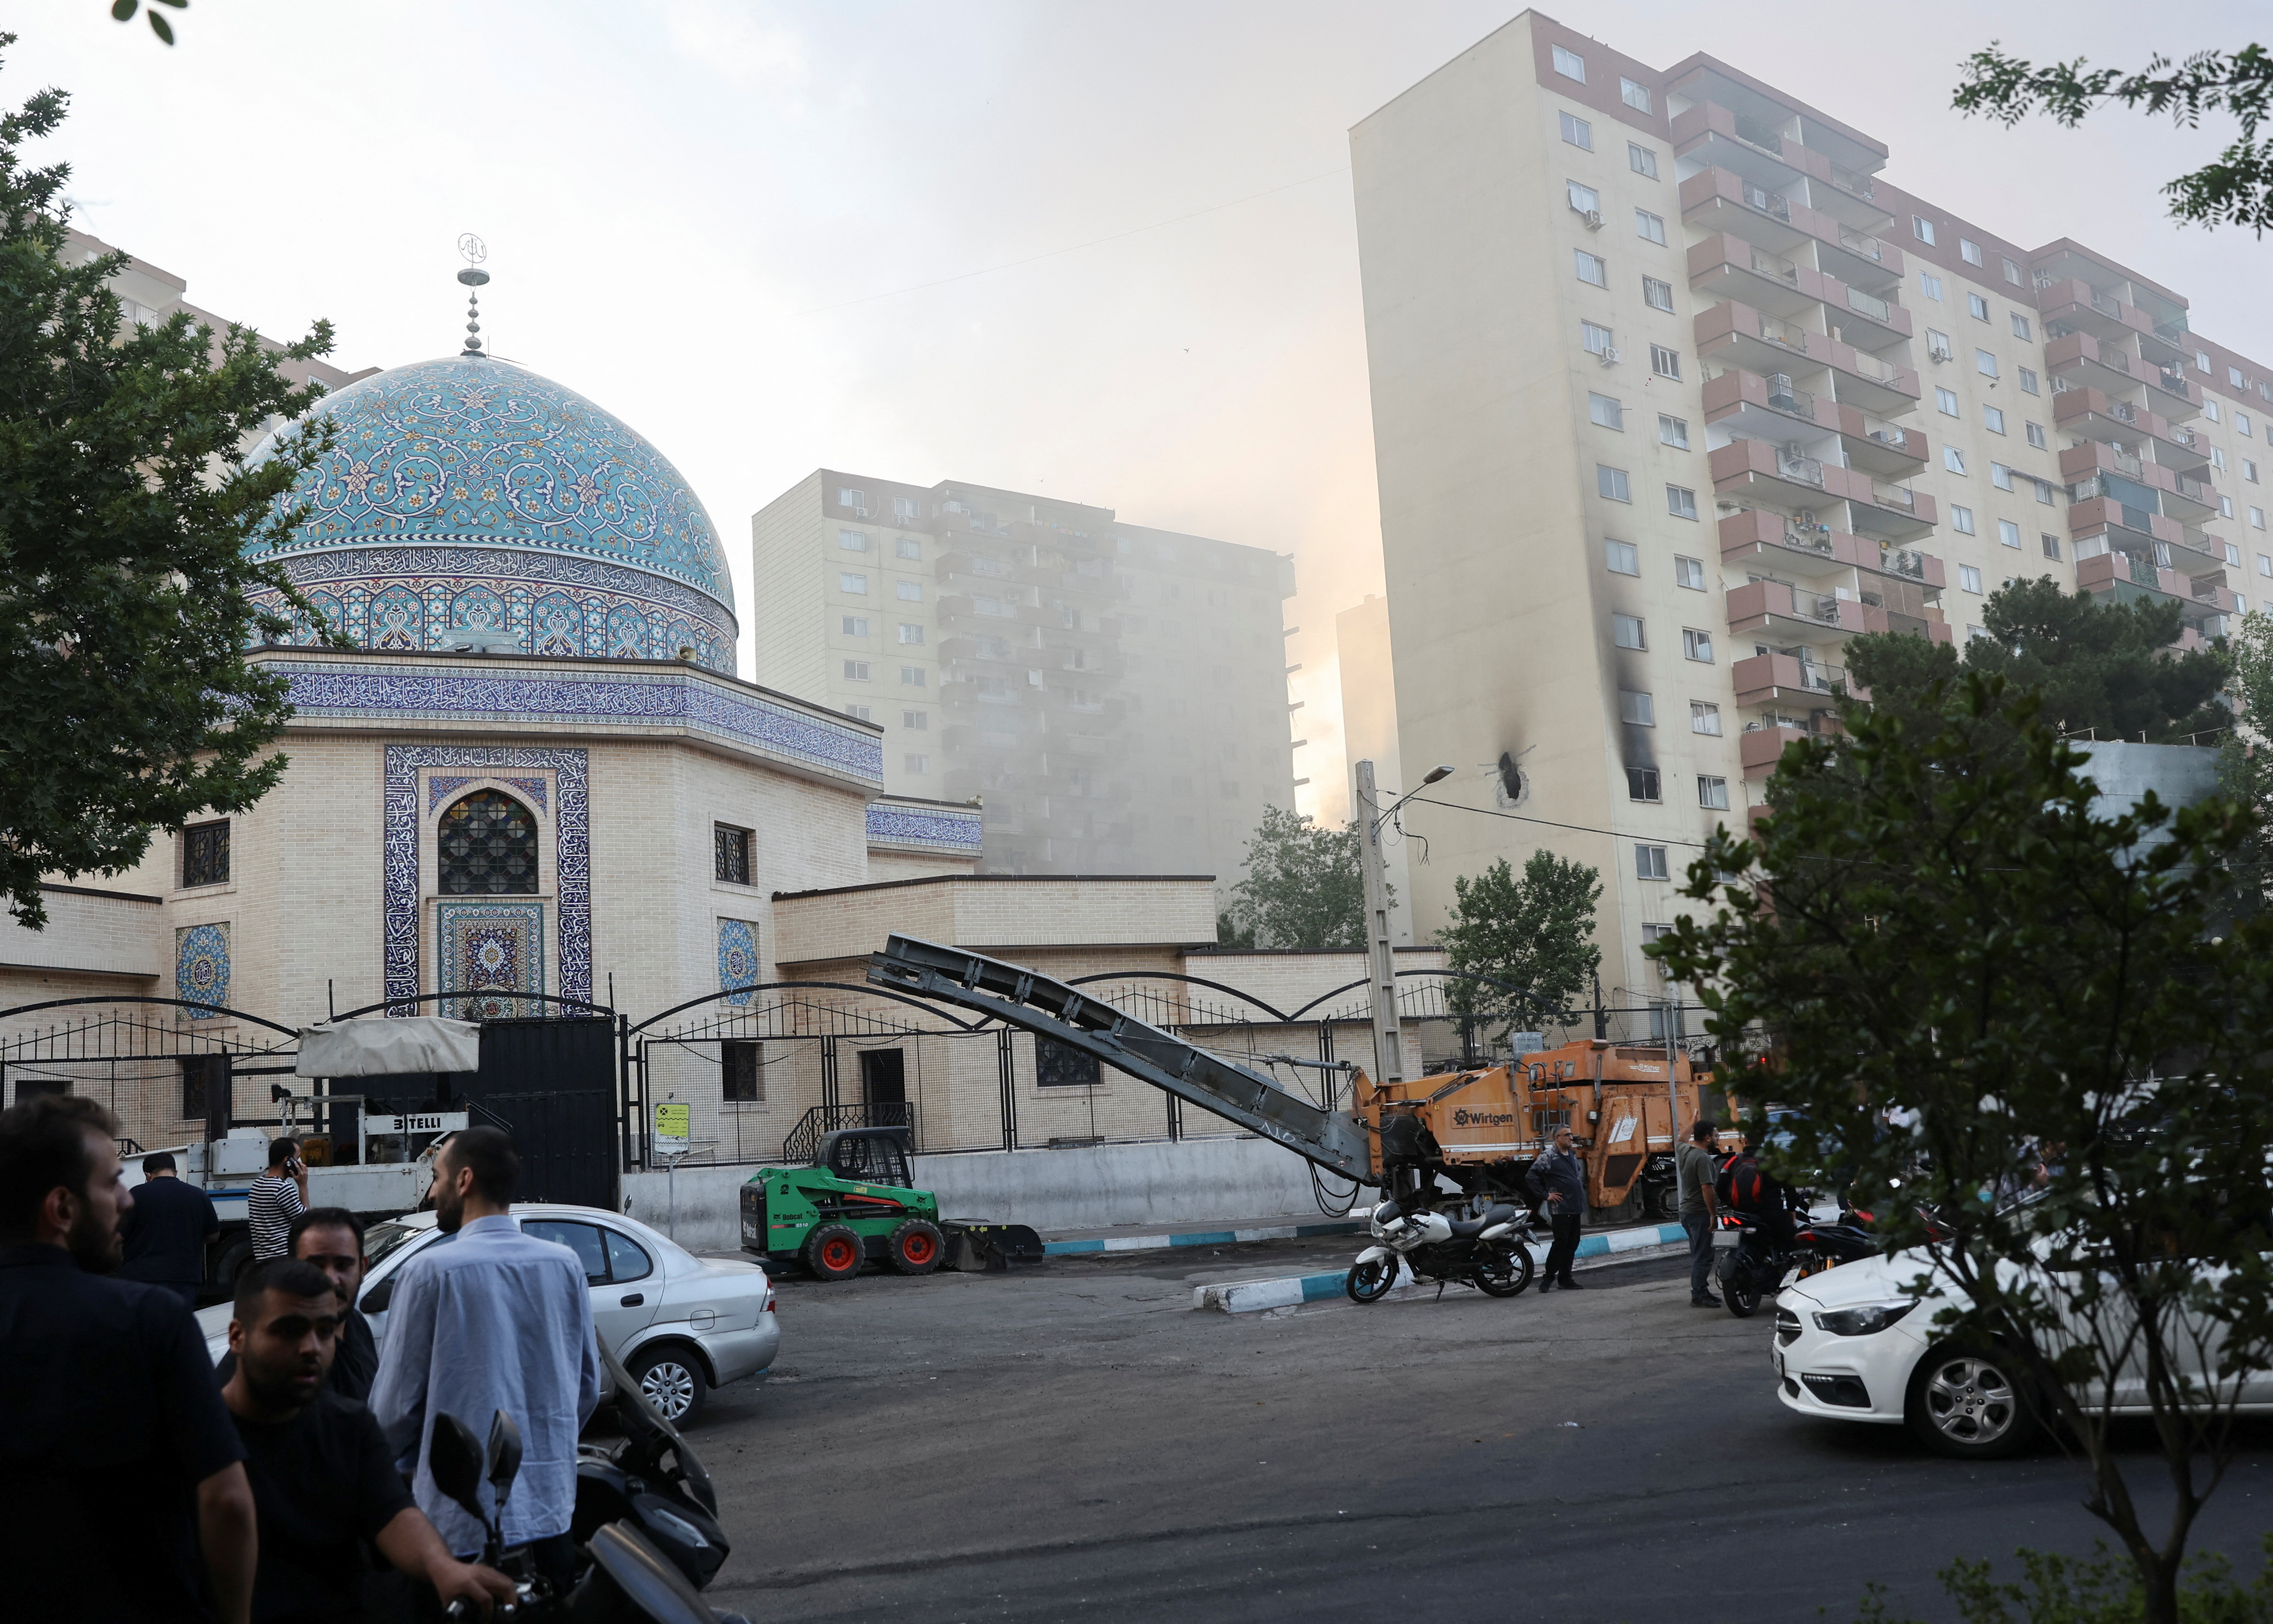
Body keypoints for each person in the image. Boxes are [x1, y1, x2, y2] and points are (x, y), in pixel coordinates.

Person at [0, 1094, 256, 1623]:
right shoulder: (152, 1321)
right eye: (112, 1182)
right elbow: (227, 1501)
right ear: (62, 1208)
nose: (127, 1199)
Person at [222, 1255, 514, 1623]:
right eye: (289, 1330)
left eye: (325, 1331)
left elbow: (392, 1511)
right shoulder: (193, 1434)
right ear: (238, 1337)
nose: (312, 1347)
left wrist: (443, 1567)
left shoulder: (350, 1425)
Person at [369, 1128, 602, 1575]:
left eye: (437, 1177)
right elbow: (586, 1389)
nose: (431, 1192)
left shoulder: (429, 1272)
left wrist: (401, 1471)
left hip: (459, 1530)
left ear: (464, 1181)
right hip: (549, 1515)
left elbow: (394, 1411)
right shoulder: (564, 1264)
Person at [215, 1207, 380, 1404]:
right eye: (315, 1266)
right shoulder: (266, 1357)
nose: (331, 1279)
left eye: (343, 1266)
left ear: (362, 1268)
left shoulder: (357, 1325)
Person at [119, 1148, 221, 1308]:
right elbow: (213, 1236)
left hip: (142, 1276)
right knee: (177, 1321)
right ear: (176, 1172)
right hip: (184, 1277)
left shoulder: (136, 1194)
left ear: (148, 1175)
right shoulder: (198, 1195)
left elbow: (120, 1235)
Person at [1530, 1124, 1587, 1291]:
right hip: (1561, 1208)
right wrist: (1546, 1195)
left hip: (1575, 1206)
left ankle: (1565, 1279)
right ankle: (1548, 1279)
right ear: (1557, 1138)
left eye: (1571, 1134)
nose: (1571, 1138)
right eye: (1567, 1135)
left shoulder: (1572, 1155)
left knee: (1572, 1244)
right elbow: (1531, 1176)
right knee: (1561, 1244)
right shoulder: (1548, 1156)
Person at [1678, 1119, 1722, 1308]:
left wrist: (1692, 1122)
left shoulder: (1686, 1151)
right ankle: (1698, 1295)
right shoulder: (1703, 1158)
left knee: (1698, 1253)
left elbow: (1681, 1139)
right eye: (1716, 1136)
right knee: (1703, 1256)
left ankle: (1702, 1290)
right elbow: (1707, 1188)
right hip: (1700, 1213)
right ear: (1707, 1138)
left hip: (1687, 1212)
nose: (1718, 1139)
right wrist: (1713, 1214)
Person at [249, 1137, 310, 1260]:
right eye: (298, 1158)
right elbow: (307, 1223)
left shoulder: (257, 1184)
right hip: (283, 1262)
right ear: (288, 1161)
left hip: (264, 1262)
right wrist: (303, 1186)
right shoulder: (282, 1188)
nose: (301, 1163)